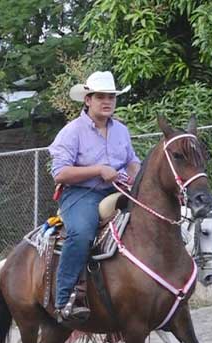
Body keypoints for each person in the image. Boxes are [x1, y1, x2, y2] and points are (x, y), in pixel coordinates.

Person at [48, 71, 140, 324]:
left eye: (111, 97)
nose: (107, 101)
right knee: (81, 233)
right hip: (80, 194)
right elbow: (60, 173)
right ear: (87, 99)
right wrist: (98, 170)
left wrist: (139, 180)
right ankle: (64, 298)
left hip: (118, 190)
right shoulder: (72, 132)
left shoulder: (121, 130)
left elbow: (132, 162)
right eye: (101, 96)